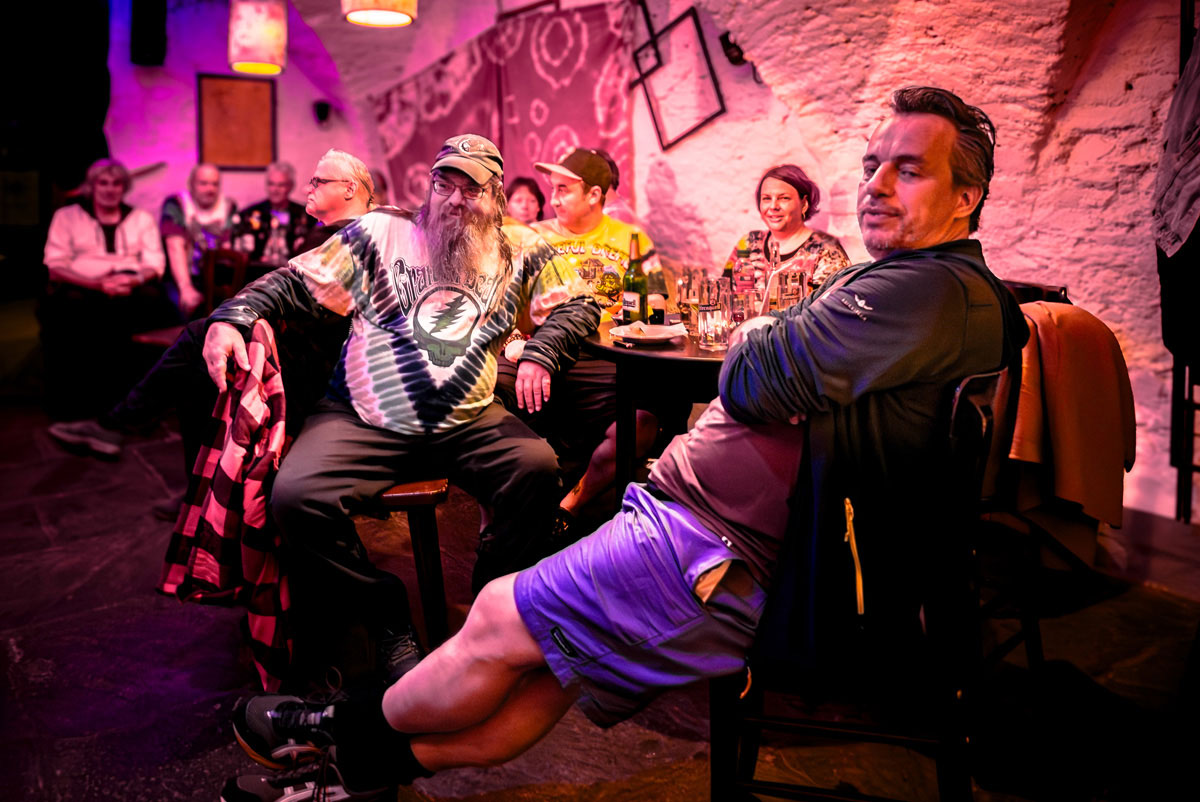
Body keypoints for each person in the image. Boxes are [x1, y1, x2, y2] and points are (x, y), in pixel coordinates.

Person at [220, 86, 1029, 801]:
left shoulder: (926, 289)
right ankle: (357, 765)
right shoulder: (926, 285)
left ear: (967, 196)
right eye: (873, 164)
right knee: (544, 670)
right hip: (703, 532)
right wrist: (233, 315)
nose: (876, 185)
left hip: (718, 551)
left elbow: (748, 374)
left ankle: (334, 730)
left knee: (500, 610)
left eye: (909, 171)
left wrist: (752, 333)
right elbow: (776, 358)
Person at [200, 134, 599, 690]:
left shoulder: (520, 246)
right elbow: (291, 283)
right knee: (296, 497)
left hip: (467, 418)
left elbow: (579, 302)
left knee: (536, 468)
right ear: (429, 187)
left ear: (497, 195)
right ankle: (385, 615)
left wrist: (542, 352)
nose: (455, 199)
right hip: (363, 417)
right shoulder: (380, 233)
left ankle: (490, 607)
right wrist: (233, 317)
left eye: (472, 189)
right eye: (444, 184)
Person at [48, 151, 376, 472]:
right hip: (312, 340)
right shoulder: (342, 230)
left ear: (350, 190)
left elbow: (292, 288)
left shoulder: (345, 236)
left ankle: (124, 426)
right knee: (203, 345)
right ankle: (137, 433)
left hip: (321, 362)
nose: (307, 188)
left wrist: (232, 319)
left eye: (318, 182)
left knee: (201, 340)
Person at [496, 148, 682, 535]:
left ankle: (572, 504)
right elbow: (501, 303)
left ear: (595, 194)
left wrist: (644, 319)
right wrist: (513, 339)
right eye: (553, 189)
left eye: (563, 190)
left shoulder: (630, 238)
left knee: (645, 420)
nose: (553, 199)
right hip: (541, 353)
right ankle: (507, 516)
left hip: (607, 359)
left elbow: (657, 304)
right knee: (488, 391)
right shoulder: (534, 237)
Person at [39, 157, 175, 420]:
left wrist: (133, 280)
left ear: (124, 187)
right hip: (81, 287)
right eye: (103, 183)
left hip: (129, 287)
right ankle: (78, 406)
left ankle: (133, 404)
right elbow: (55, 266)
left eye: (116, 183)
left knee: (150, 305)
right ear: (92, 186)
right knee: (72, 311)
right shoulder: (67, 217)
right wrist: (97, 284)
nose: (110, 189)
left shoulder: (141, 218)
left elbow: (155, 263)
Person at [727, 163, 850, 294]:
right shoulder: (748, 243)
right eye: (766, 198)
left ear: (804, 204)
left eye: (784, 198)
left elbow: (833, 304)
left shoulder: (826, 251)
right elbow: (723, 292)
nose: (773, 206)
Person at [161, 163, 238, 317]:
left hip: (213, 279)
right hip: (180, 278)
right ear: (191, 184)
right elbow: (175, 247)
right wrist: (185, 288)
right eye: (203, 183)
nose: (210, 189)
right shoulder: (177, 204)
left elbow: (227, 248)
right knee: (184, 309)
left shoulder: (228, 206)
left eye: (215, 184)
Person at [233, 162, 316, 271]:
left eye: (281, 185)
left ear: (291, 186)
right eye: (271, 184)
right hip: (256, 273)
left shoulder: (305, 214)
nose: (275, 189)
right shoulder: (249, 214)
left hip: (293, 274)